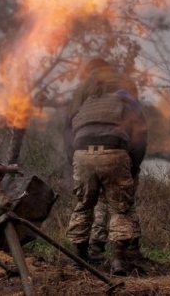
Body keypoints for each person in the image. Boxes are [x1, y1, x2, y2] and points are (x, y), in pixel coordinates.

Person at [64, 58, 142, 276]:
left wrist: (74, 158)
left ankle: (78, 259)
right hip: (114, 151)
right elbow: (140, 133)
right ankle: (118, 262)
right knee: (120, 208)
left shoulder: (82, 97)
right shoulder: (125, 93)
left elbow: (68, 132)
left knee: (83, 205)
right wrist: (133, 166)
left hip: (81, 152)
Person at [87, 89, 147, 268]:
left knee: (101, 204)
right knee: (124, 207)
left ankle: (95, 249)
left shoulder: (96, 105)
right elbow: (140, 141)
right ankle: (128, 252)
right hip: (120, 160)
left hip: (89, 158)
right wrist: (134, 168)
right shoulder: (132, 108)